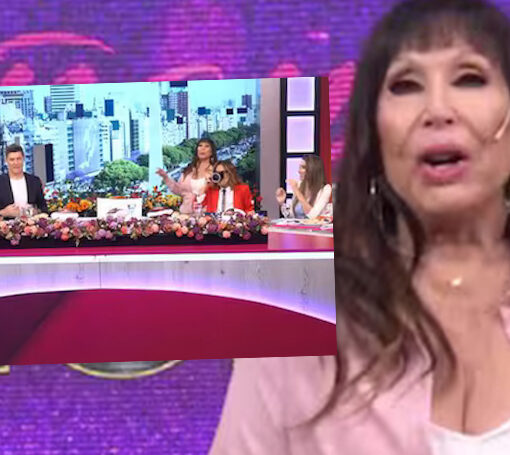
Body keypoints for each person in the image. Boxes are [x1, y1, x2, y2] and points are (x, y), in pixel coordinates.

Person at [210, 1, 510, 454]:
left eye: (469, 78)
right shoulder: (301, 312)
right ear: (374, 131)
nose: (437, 109)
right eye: (405, 85)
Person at [156, 138, 217, 214]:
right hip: (185, 214)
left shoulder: (216, 171)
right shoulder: (189, 170)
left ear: (212, 152)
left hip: (207, 215)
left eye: (206, 146)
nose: (202, 149)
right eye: (200, 146)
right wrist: (165, 177)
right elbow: (179, 190)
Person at [0, 143, 48, 218]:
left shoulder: (35, 181)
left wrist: (35, 212)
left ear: (23, 158)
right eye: (12, 160)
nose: (16, 163)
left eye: (18, 159)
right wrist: (4, 212)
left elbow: (43, 208)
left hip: (32, 224)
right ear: (6, 161)